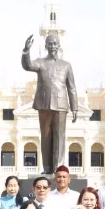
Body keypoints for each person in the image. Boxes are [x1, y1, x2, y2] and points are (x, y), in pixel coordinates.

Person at [21, 33, 78, 174]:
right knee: (46, 137)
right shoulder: (40, 62)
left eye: (55, 43)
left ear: (59, 46)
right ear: (46, 46)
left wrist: (75, 108)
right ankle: (47, 168)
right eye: (50, 43)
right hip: (44, 104)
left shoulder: (66, 65)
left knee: (59, 136)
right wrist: (26, 50)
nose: (52, 46)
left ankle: (58, 169)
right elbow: (27, 65)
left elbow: (72, 88)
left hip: (61, 104)